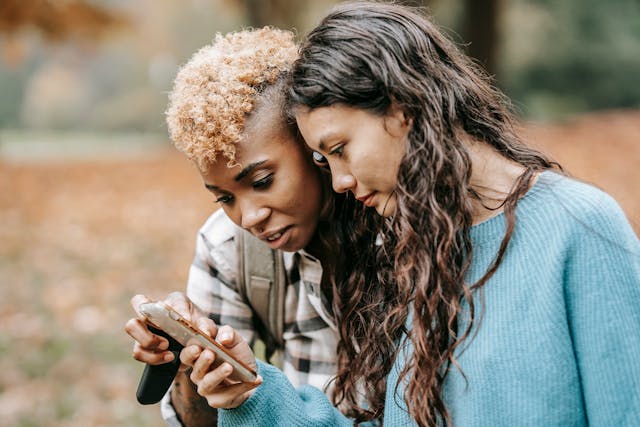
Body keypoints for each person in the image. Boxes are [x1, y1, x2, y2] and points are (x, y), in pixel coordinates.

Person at [201, 2, 640, 426]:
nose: (339, 182)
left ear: (403, 106)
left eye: (339, 150)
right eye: (323, 161)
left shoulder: (579, 227)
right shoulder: (415, 243)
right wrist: (254, 395)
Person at [123, 27, 345, 426]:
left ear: (311, 144)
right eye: (225, 198)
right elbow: (201, 423)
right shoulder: (227, 246)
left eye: (261, 182)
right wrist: (190, 360)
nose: (248, 217)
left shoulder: (393, 213)